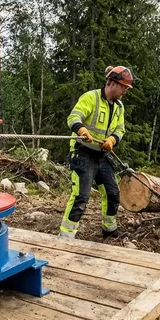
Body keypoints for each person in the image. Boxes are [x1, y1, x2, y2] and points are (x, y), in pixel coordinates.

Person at [59, 66, 134, 239]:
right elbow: (73, 118)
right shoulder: (90, 98)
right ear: (113, 83)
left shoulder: (119, 107)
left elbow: (121, 129)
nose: (125, 91)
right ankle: (66, 237)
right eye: (123, 87)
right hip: (82, 153)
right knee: (81, 196)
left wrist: (112, 140)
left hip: (102, 155)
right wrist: (82, 130)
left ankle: (109, 228)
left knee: (112, 192)